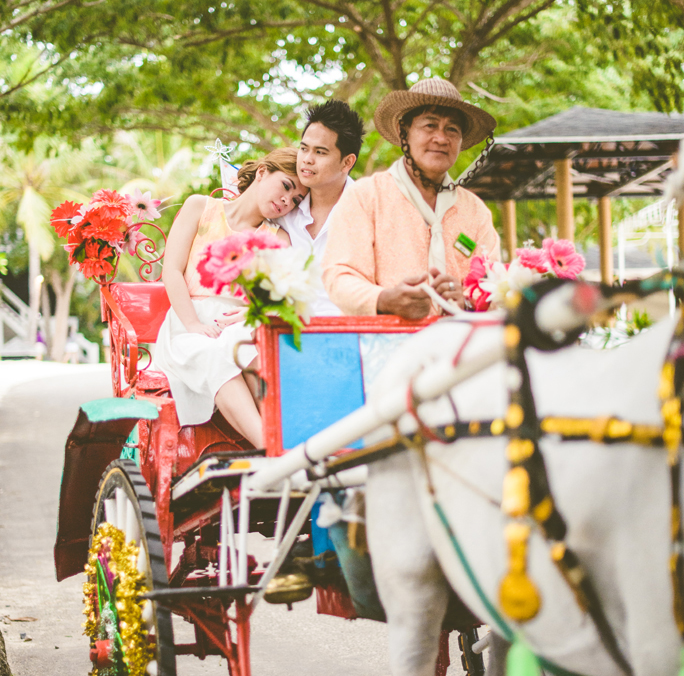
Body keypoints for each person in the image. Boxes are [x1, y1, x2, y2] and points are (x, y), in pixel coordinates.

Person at [153, 148, 305, 448]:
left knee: (245, 344)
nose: (287, 201)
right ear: (262, 172)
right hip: (187, 326)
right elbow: (171, 270)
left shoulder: (277, 239)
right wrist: (193, 323)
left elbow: (273, 297)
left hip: (239, 323)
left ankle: (286, 439)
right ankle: (273, 449)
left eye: (297, 199)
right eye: (286, 186)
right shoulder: (201, 208)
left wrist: (253, 311)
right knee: (215, 354)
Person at [322, 78, 500, 319]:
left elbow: (494, 285)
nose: (441, 138)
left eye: (452, 129)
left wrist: (467, 302)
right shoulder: (366, 196)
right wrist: (384, 300)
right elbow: (339, 277)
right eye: (430, 125)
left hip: (459, 349)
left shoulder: (475, 212)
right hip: (384, 348)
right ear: (403, 131)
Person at [277, 99, 364, 316]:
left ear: (347, 162)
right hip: (286, 333)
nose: (307, 159)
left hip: (349, 335)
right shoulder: (283, 206)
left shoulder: (369, 212)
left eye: (320, 152)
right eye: (304, 149)